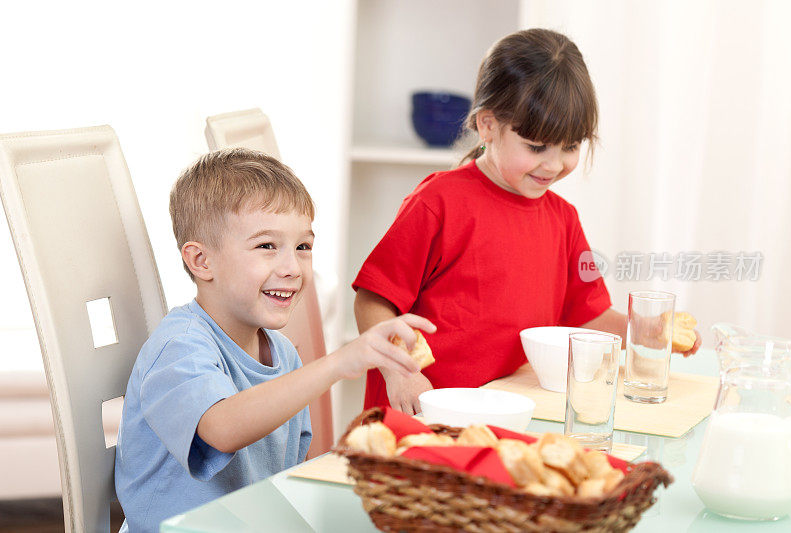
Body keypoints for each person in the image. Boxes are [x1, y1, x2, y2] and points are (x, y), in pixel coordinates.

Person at [353, 28, 700, 414]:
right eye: (536, 147)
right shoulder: (438, 203)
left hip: (509, 414)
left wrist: (643, 330)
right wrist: (400, 371)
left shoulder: (564, 220)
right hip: (424, 413)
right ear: (487, 125)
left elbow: (589, 315)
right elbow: (373, 301)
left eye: (570, 146)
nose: (554, 165)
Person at [115, 148, 434, 532]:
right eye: (267, 246)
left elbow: (288, 476)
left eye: (303, 247)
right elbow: (222, 429)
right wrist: (337, 363)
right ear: (201, 261)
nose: (292, 268)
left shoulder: (280, 352)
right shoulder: (179, 346)